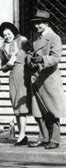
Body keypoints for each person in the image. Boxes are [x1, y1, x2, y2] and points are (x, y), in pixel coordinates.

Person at [27, 10, 64, 149]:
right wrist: (30, 60)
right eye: (36, 23)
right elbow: (30, 53)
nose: (37, 26)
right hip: (36, 78)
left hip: (49, 79)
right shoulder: (36, 37)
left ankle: (54, 139)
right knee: (38, 111)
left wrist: (42, 59)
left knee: (52, 110)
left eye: (40, 23)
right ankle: (43, 138)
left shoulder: (54, 38)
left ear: (47, 23)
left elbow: (56, 57)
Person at [0, 22, 32, 146]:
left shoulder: (22, 41)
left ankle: (22, 135)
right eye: (4, 35)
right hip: (13, 76)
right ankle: (21, 134)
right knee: (16, 105)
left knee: (21, 106)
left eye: (9, 33)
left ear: (13, 32)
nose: (7, 36)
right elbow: (2, 67)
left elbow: (32, 53)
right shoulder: (2, 47)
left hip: (23, 75)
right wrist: (7, 65)